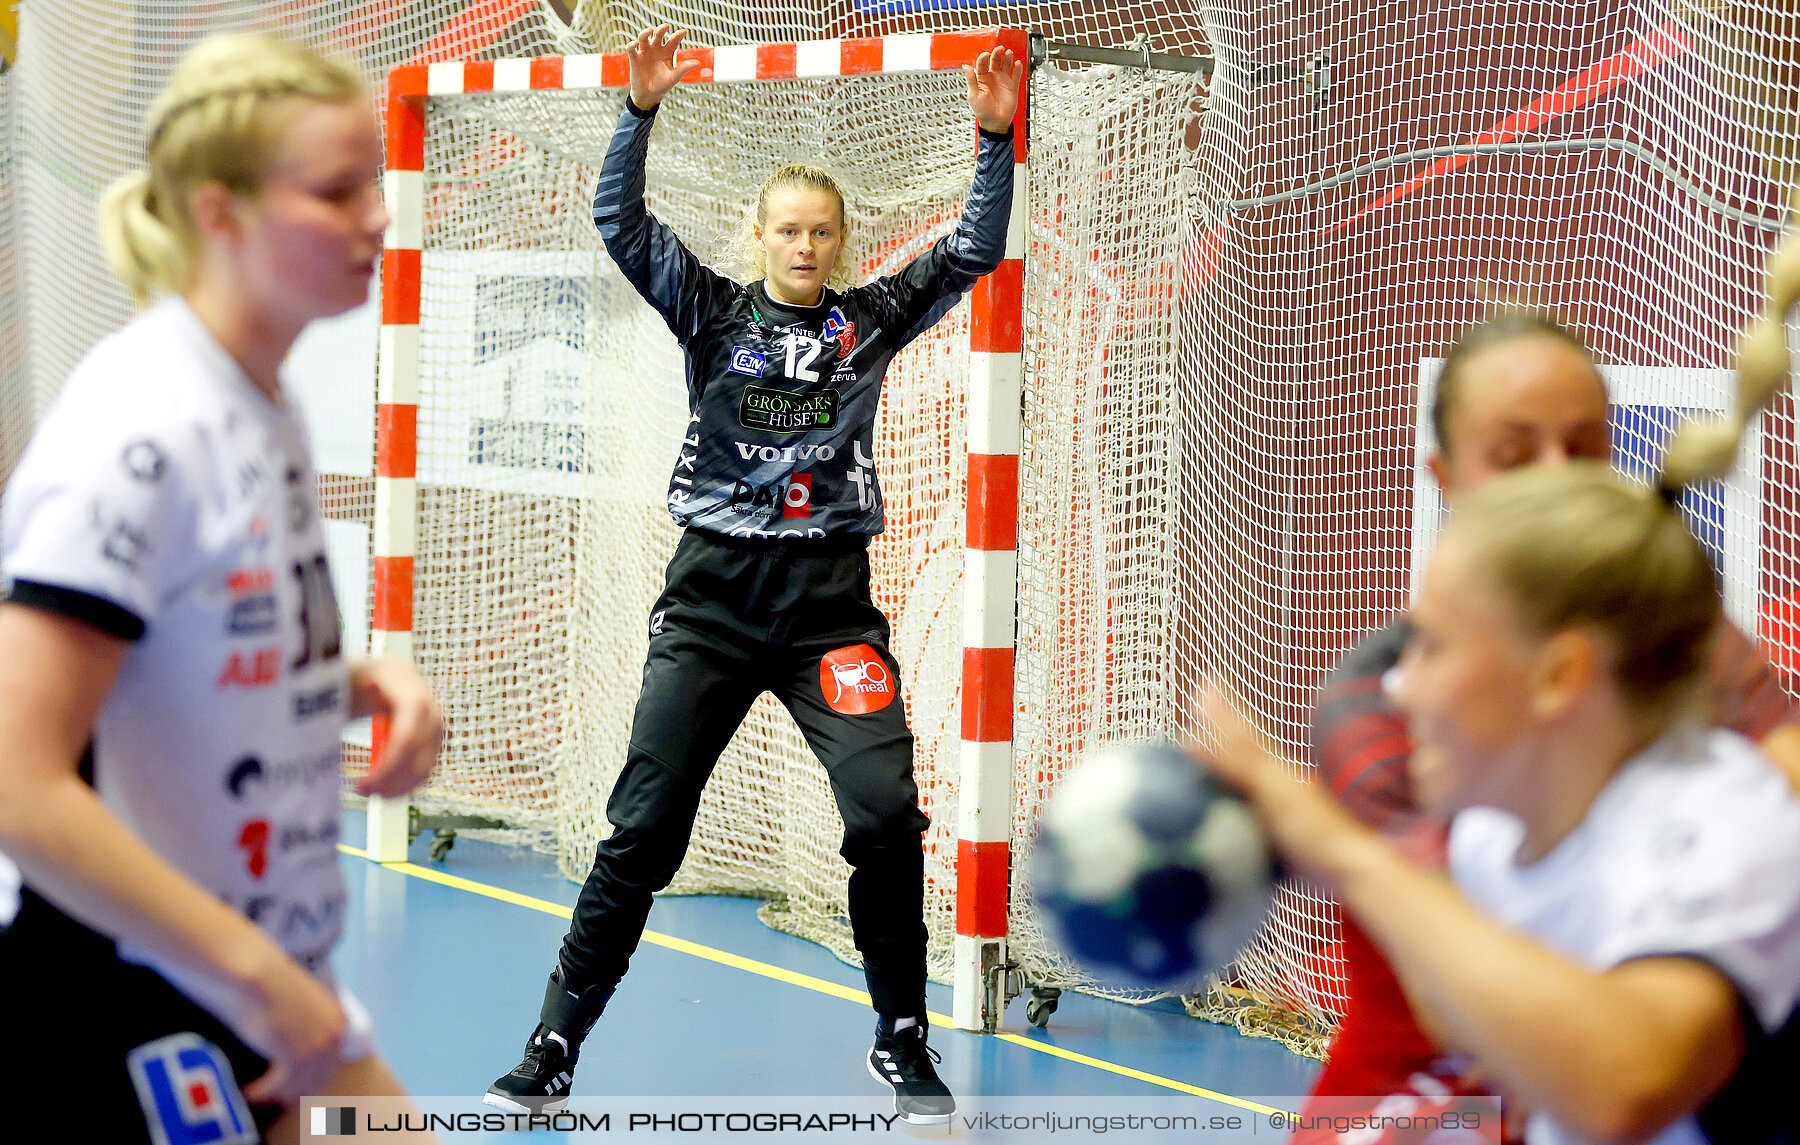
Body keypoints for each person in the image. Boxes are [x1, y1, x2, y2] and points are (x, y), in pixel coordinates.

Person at [484, 23, 1022, 1123]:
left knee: (882, 816)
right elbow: (619, 224)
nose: (806, 244)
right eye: (788, 229)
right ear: (760, 234)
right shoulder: (711, 309)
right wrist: (638, 114)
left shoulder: (868, 322)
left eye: (823, 231)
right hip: (712, 609)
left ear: (839, 239)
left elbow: (970, 253)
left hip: (830, 619)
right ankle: (552, 1042)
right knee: (642, 828)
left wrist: (994, 141)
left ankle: (902, 1031)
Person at [0, 33, 444, 1144]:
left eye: (374, 185)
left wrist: (359, 682)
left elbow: (194, 666)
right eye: (336, 191)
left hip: (254, 969)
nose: (378, 217)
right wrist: (253, 974)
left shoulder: (262, 400)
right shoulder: (141, 425)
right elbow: (18, 779)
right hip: (132, 987)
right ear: (220, 213)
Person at [1203, 322, 1800, 1142]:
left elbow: (1626, 1079)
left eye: (1584, 448)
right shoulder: (1427, 757)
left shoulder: (1717, 796)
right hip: (1443, 1061)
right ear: (1446, 476)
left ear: (1565, 675)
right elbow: (1449, 999)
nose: (1554, 482)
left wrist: (1337, 847)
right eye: (1516, 455)